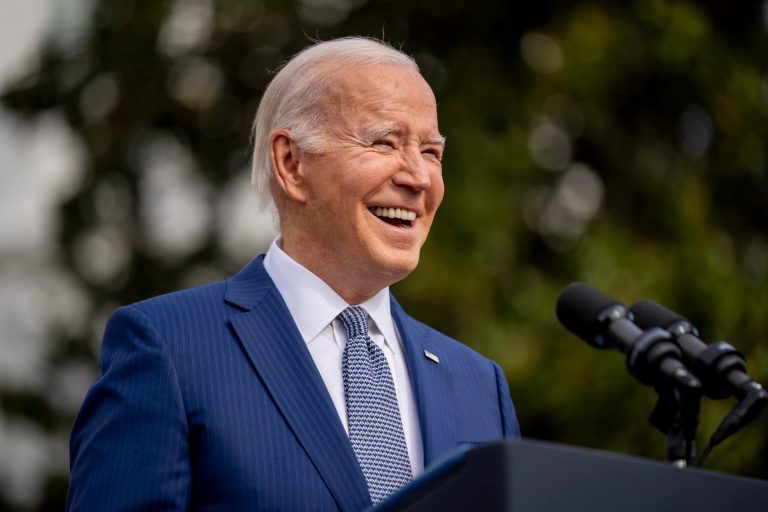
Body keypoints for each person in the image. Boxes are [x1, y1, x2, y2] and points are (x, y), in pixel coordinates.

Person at [67, 37, 519, 511]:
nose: (419, 178)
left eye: (431, 152)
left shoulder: (479, 385)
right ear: (291, 163)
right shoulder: (169, 348)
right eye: (385, 142)